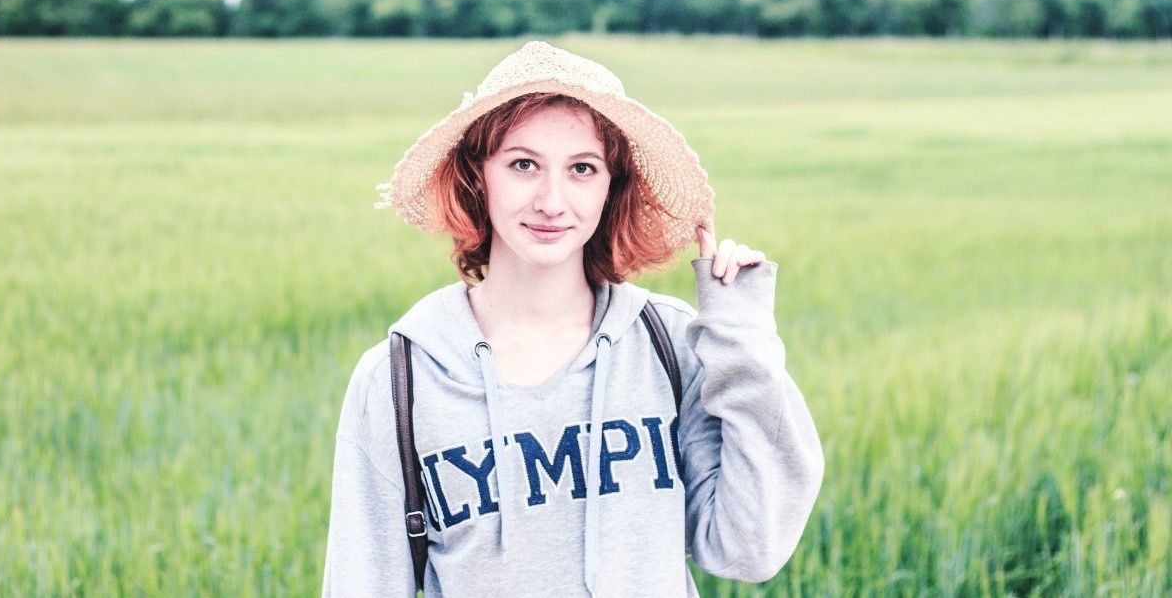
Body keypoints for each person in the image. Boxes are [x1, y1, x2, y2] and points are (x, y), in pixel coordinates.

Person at [321, 40, 824, 597]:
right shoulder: (401, 378)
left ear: (612, 187)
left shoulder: (670, 346)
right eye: (523, 164)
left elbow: (748, 548)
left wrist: (740, 335)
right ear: (477, 175)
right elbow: (361, 582)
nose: (551, 201)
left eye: (582, 168)